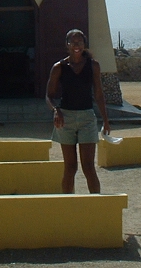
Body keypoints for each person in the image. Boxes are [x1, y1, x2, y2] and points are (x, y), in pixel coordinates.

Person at [45, 28, 111, 193]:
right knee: (70, 167)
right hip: (65, 119)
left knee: (88, 167)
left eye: (79, 42)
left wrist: (106, 120)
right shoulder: (59, 67)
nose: (76, 45)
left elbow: (99, 94)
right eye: (73, 42)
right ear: (67, 45)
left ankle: (95, 204)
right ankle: (69, 204)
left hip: (87, 118)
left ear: (84, 44)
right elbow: (49, 96)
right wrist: (56, 110)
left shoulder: (93, 65)